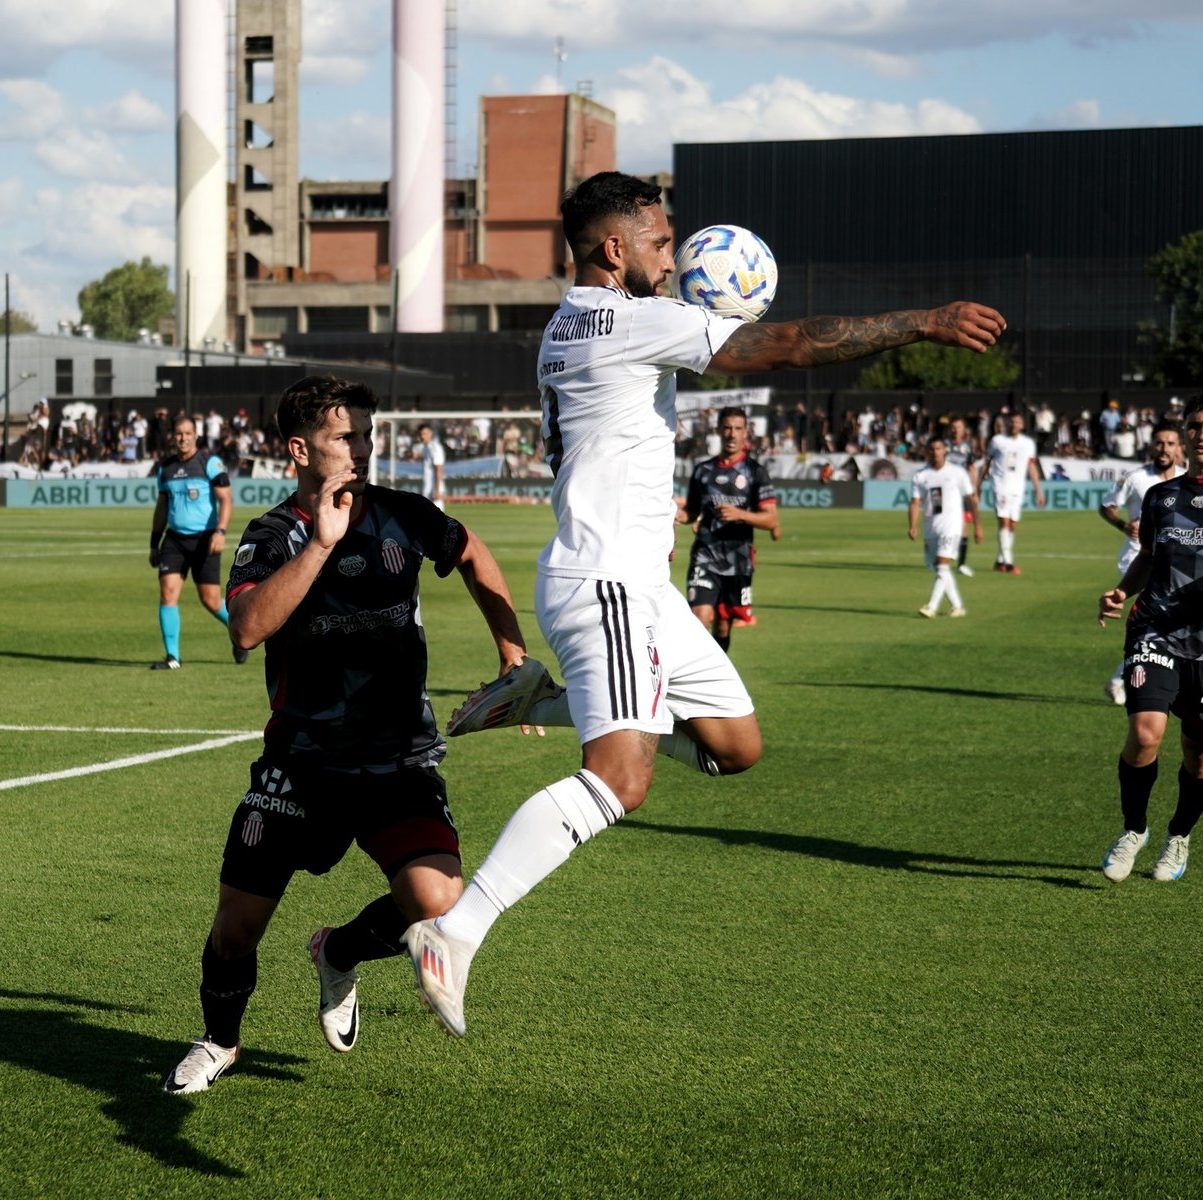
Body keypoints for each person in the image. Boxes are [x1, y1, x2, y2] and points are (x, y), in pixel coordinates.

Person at [403, 169, 1006, 1037]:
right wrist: (925, 321)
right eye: (658, 242)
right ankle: (456, 935)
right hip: (605, 580)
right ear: (614, 249)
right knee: (622, 780)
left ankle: (551, 694)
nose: (673, 260)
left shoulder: (576, 321)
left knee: (734, 748)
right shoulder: (625, 320)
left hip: (642, 589)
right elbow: (792, 345)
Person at [162, 375, 534, 1093]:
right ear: (300, 450)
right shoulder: (272, 535)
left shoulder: (400, 513)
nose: (360, 449)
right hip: (301, 764)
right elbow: (246, 627)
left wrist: (511, 651)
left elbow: (475, 557)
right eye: (344, 438)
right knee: (236, 927)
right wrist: (321, 546)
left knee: (436, 899)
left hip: (397, 758)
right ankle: (219, 1042)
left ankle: (340, 950)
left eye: (365, 435)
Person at [1097, 399, 1203, 884]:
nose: (1202, 435)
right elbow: (1147, 559)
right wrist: (1122, 590)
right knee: (1144, 735)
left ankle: (1179, 833)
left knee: (1198, 755)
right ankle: (1133, 829)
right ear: (1185, 435)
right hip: (1157, 628)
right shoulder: (1162, 498)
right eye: (1197, 427)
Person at [1098, 421, 1185, 704]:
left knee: (1165, 624)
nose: (1164, 448)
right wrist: (1124, 526)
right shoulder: (1135, 478)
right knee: (1159, 621)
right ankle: (1124, 679)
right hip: (1137, 560)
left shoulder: (1186, 479)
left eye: (1170, 443)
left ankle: (1132, 677)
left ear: (1179, 447)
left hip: (1173, 566)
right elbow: (1106, 506)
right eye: (1159, 442)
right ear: (1151, 445)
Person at [149, 414, 245, 668]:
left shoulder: (209, 463)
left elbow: (226, 499)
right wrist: (154, 543)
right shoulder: (165, 467)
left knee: (211, 600)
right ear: (173, 436)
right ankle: (172, 657)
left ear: (196, 436)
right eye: (178, 433)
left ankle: (240, 635)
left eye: (188, 433)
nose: (183, 438)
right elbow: (161, 507)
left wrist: (220, 532)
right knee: (168, 594)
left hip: (205, 540)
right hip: (174, 541)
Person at [681, 406, 777, 651]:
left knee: (723, 627)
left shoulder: (756, 473)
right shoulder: (703, 471)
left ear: (746, 433)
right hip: (705, 556)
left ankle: (714, 678)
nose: (732, 434)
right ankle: (693, 680)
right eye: (727, 428)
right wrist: (671, 513)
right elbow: (690, 512)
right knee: (697, 619)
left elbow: (771, 520)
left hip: (738, 561)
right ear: (717, 430)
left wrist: (740, 514)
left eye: (737, 429)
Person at [908, 436, 981, 617]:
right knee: (940, 568)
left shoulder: (958, 473)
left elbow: (970, 500)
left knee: (942, 564)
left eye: (939, 448)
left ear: (945, 450)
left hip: (952, 526)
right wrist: (913, 525)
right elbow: (915, 502)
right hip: (931, 527)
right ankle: (958, 606)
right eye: (931, 449)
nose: (935, 452)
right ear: (926, 452)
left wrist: (977, 525)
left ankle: (931, 607)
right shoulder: (921, 476)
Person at [985, 410, 1046, 573]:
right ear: (1006, 424)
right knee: (1003, 521)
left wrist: (1038, 490)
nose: (1014, 425)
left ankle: (999, 561)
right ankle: (1009, 562)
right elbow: (986, 462)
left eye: (1017, 422)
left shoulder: (1027, 444)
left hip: (1017, 488)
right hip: (1000, 485)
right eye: (1011, 422)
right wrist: (977, 484)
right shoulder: (997, 441)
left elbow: (1032, 466)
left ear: (1022, 425)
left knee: (1012, 524)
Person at [945, 417, 981, 576]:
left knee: (964, 526)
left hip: (961, 492)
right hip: (942, 491)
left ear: (963, 429)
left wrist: (974, 490)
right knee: (941, 525)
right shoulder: (943, 446)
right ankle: (940, 558)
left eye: (958, 427)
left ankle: (961, 564)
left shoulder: (967, 447)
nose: (955, 430)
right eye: (953, 427)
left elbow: (972, 469)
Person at [416, 423, 446, 509]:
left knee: (438, 517)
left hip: (434, 488)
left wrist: (437, 490)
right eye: (421, 434)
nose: (422, 436)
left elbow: (439, 469)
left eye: (424, 434)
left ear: (431, 433)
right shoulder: (425, 447)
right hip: (427, 487)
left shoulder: (436, 448)